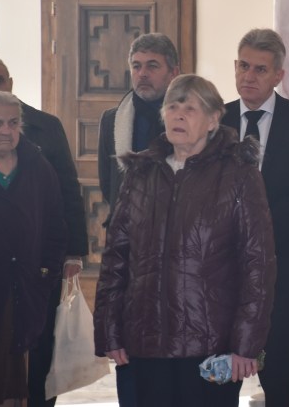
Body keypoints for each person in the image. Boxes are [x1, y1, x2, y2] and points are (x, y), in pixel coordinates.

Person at [93, 74, 276, 407]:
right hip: (145, 341)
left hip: (209, 345)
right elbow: (115, 258)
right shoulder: (140, 173)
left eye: (190, 108)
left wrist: (246, 344)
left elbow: (257, 264)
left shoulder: (238, 174)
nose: (178, 115)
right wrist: (110, 330)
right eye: (172, 107)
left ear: (213, 120)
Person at [221, 28, 289, 407]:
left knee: (279, 372)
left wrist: (253, 236)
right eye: (244, 66)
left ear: (279, 75)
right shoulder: (216, 118)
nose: (249, 76)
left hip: (283, 261)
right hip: (221, 267)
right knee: (221, 375)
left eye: (260, 69)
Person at [0, 56, 89, 407]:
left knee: (37, 357)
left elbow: (66, 194)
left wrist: (68, 256)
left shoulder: (44, 130)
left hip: (34, 272)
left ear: (10, 83)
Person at [97, 33, 179, 405]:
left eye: (152, 66)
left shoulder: (188, 116)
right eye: (136, 66)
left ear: (173, 71)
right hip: (130, 248)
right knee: (131, 341)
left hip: (178, 247)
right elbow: (109, 183)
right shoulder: (112, 119)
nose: (142, 74)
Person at [0, 91, 68, 407]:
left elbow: (56, 227)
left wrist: (45, 274)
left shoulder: (38, 167)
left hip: (25, 289)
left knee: (19, 381)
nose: (5, 131)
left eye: (13, 123)